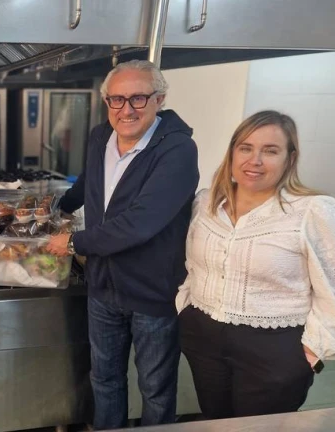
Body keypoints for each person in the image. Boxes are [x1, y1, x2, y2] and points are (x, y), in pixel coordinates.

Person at [46, 60, 199, 428]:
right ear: (107, 102)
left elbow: (140, 223)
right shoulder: (101, 136)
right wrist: (57, 208)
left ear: (159, 99)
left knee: (155, 388)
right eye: (116, 99)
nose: (126, 109)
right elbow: (89, 182)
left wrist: (73, 242)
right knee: (105, 379)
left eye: (138, 98)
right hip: (102, 286)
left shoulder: (177, 150)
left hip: (152, 292)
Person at [175, 110, 335, 419]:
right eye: (245, 148)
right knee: (215, 422)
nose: (254, 160)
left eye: (270, 151)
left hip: (275, 349)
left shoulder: (314, 212)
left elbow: (334, 295)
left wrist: (313, 353)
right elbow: (193, 266)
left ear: (290, 158)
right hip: (203, 337)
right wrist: (185, 308)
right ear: (233, 153)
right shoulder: (205, 203)